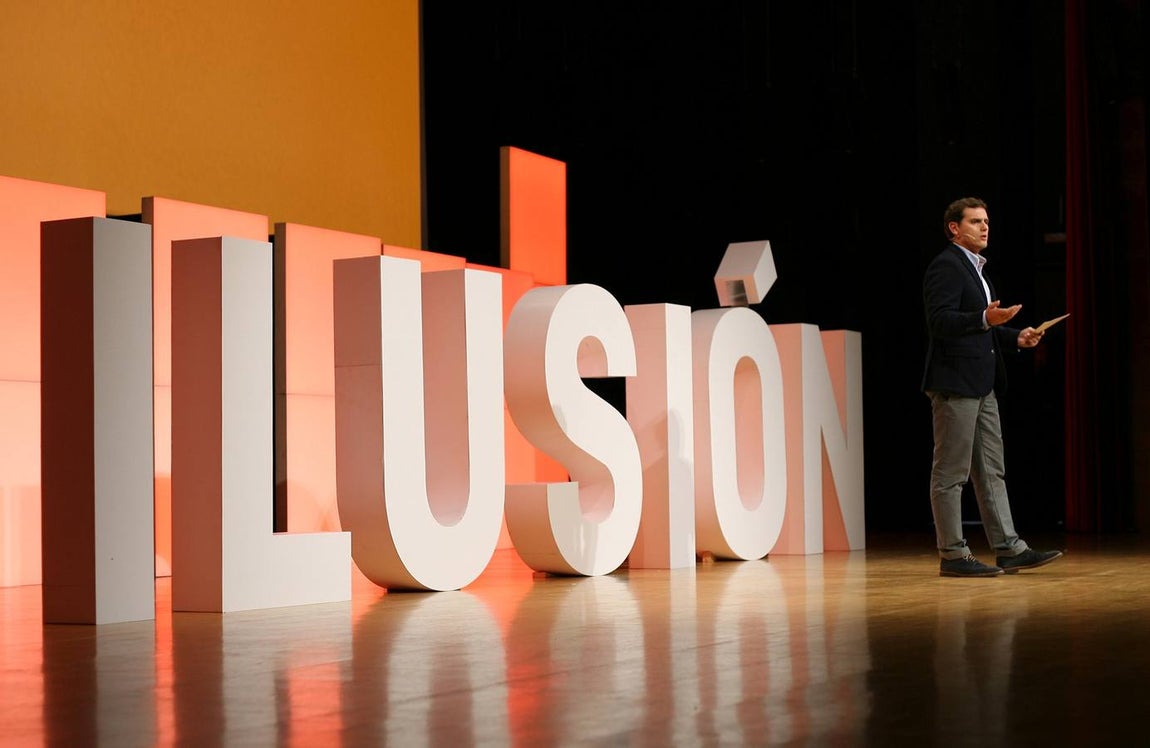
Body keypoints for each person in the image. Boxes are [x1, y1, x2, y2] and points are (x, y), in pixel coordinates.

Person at [921, 196, 1064, 577]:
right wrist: (985, 317)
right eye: (975, 221)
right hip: (954, 383)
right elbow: (942, 323)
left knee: (990, 471)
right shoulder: (947, 266)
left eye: (986, 221)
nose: (985, 227)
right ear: (955, 227)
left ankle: (1009, 548)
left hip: (981, 384)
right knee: (951, 474)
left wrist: (1016, 337)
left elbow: (980, 331)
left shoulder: (978, 272)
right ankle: (952, 554)